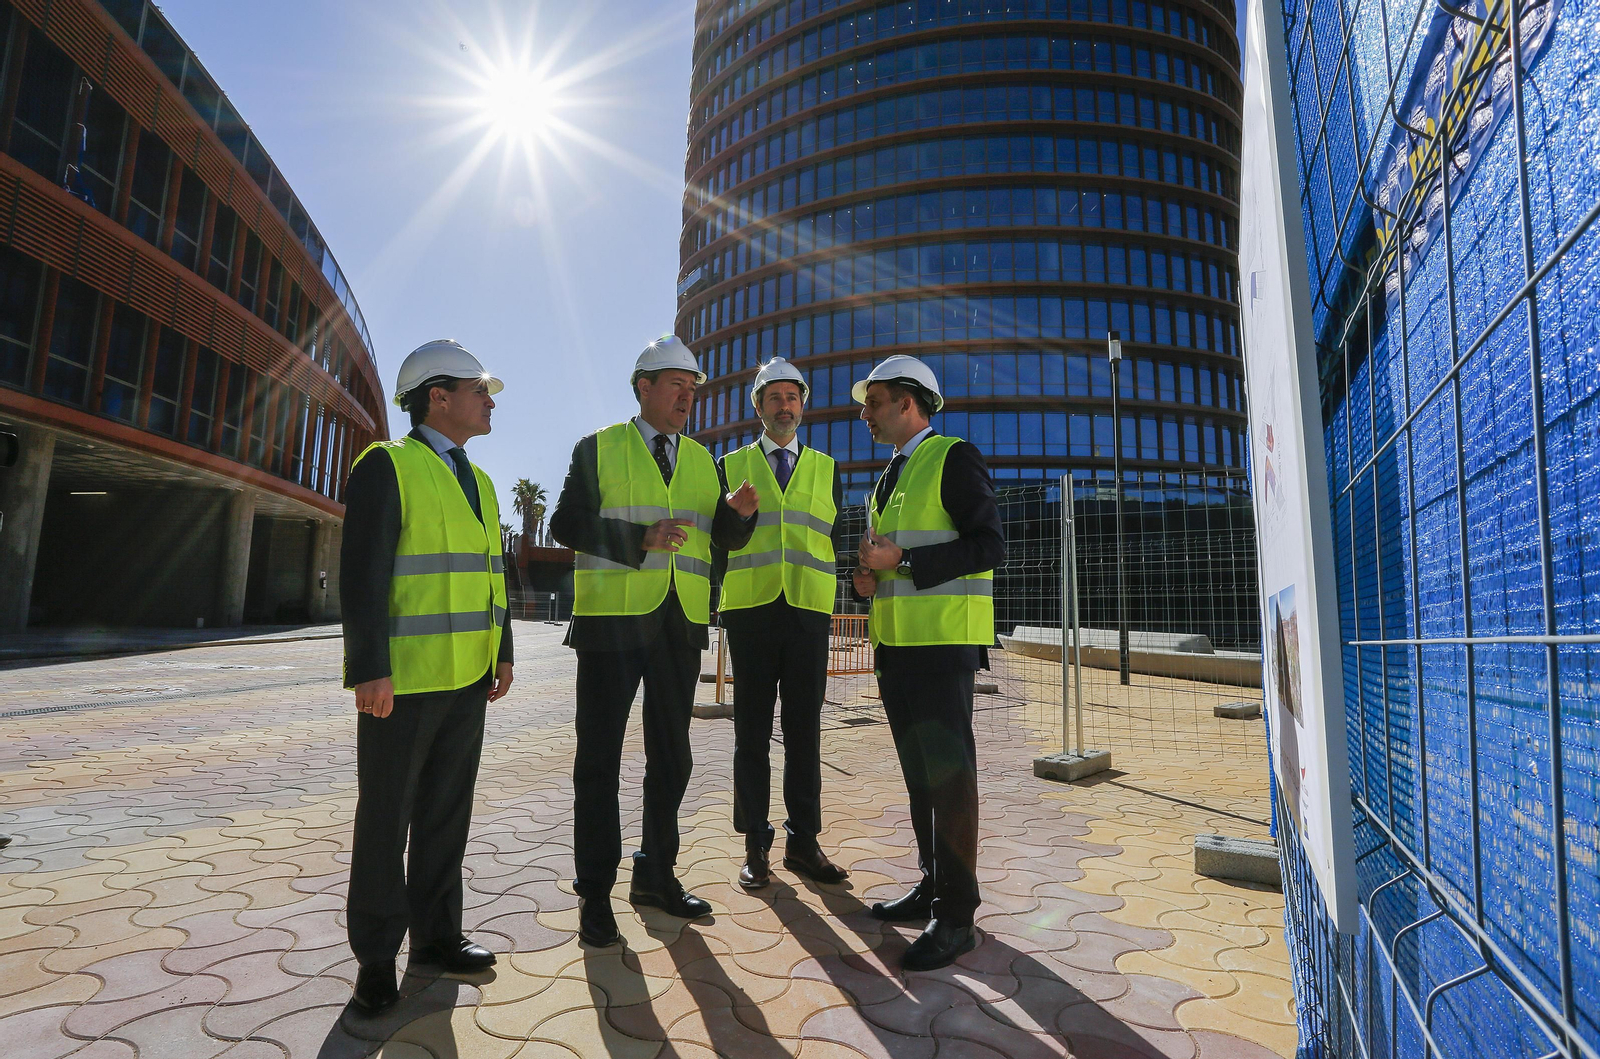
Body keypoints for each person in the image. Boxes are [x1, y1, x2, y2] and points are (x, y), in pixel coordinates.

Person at [549, 335, 759, 947]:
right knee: (599, 763)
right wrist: (638, 536)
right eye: (676, 386)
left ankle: (656, 875)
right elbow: (565, 523)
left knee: (673, 758)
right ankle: (595, 895)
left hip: (679, 625)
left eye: (693, 390)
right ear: (644, 387)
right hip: (611, 625)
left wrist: (738, 518)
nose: (687, 398)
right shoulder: (597, 448)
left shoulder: (702, 460)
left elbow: (718, 540)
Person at [340, 339, 514, 1013]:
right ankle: (376, 958)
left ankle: (438, 937)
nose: (490, 402)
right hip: (403, 684)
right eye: (480, 390)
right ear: (438, 398)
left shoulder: (483, 481)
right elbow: (364, 573)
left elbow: (494, 575)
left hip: (468, 678)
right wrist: (369, 668)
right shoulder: (388, 464)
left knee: (446, 814)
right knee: (386, 819)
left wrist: (503, 651)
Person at [851, 354, 1003, 971]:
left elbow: (989, 544)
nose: (865, 414)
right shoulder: (890, 476)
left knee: (949, 779)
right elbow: (891, 557)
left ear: (907, 402)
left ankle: (957, 915)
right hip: (897, 646)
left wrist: (905, 563)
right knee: (920, 777)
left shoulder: (953, 457)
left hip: (942, 645)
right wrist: (868, 580)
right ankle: (933, 885)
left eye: (874, 402)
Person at [715, 358, 849, 891]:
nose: (785, 406)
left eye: (792, 397)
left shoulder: (827, 469)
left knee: (804, 732)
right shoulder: (730, 465)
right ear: (758, 406)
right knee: (751, 733)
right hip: (751, 612)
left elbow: (832, 540)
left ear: (803, 405)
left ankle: (804, 842)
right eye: (774, 397)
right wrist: (736, 516)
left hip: (808, 614)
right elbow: (720, 541)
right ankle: (755, 843)